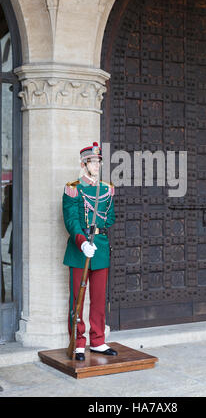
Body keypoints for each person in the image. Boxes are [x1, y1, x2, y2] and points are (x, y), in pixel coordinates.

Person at [62, 142, 117, 360]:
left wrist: (98, 234)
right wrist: (83, 241)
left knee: (98, 298)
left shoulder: (107, 189)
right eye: (92, 162)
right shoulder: (73, 189)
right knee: (77, 299)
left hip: (100, 249)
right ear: (84, 164)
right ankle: (77, 342)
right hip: (79, 250)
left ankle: (98, 341)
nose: (97, 165)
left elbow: (110, 217)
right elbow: (71, 220)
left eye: (98, 161)